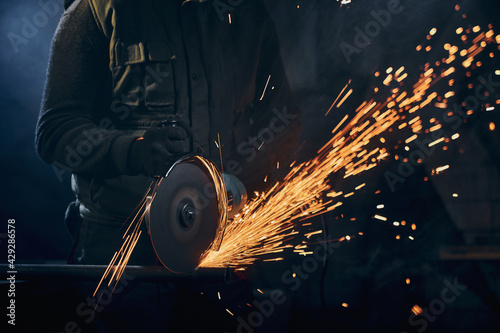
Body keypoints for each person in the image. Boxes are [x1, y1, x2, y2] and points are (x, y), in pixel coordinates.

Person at [35, 0, 300, 331]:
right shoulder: (98, 10)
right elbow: (55, 131)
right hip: (119, 260)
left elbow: (282, 120)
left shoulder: (245, 13)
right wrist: (133, 152)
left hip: (216, 249)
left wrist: (241, 182)